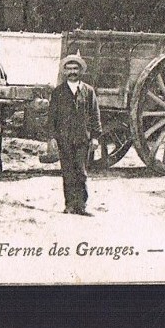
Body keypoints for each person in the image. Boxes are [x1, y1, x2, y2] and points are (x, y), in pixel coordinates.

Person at [47, 55, 103, 216]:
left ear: (80, 71)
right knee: (68, 172)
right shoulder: (58, 92)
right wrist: (51, 138)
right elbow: (52, 117)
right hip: (63, 139)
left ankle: (82, 206)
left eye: (75, 69)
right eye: (69, 69)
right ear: (65, 72)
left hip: (82, 139)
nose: (72, 72)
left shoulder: (88, 91)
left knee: (81, 172)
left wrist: (95, 137)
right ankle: (70, 205)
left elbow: (94, 115)